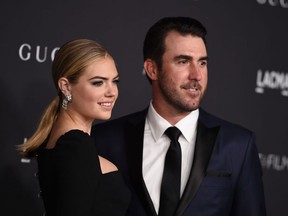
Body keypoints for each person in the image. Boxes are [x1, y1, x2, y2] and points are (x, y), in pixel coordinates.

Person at [92, 17, 266, 216]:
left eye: (202, 63)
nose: (197, 75)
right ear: (152, 69)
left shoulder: (238, 146)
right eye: (183, 61)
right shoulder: (105, 140)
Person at [18, 39, 130, 216]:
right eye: (98, 82)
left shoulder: (62, 140)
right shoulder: (76, 144)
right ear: (66, 86)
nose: (112, 92)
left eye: (115, 81)